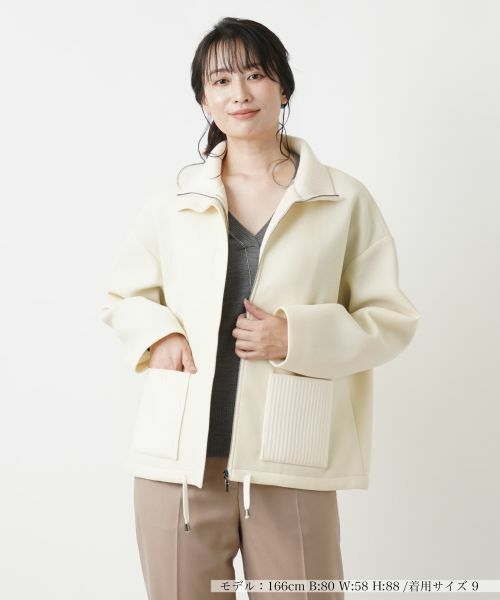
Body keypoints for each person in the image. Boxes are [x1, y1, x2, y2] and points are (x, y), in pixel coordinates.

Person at [101, 16, 421, 600]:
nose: (239, 93)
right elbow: (126, 295)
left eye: (255, 75)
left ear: (283, 87)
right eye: (220, 81)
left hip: (289, 459)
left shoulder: (341, 199)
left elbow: (390, 319)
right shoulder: (174, 200)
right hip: (179, 462)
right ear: (203, 100)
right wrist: (159, 335)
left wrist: (295, 337)